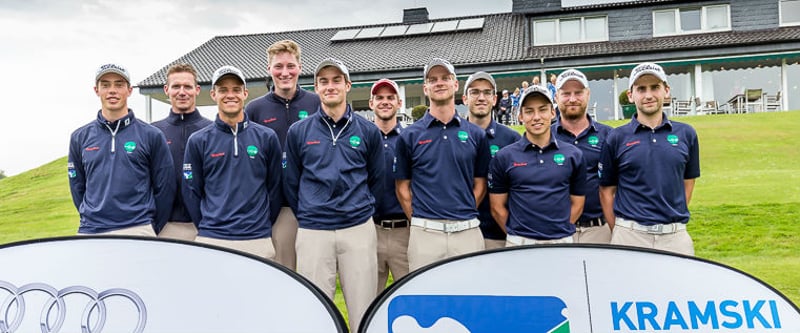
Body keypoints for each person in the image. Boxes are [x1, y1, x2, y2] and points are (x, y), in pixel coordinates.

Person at [283, 58, 384, 332]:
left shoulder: (368, 131)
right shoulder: (298, 132)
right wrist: (311, 210)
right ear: (316, 88)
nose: (330, 86)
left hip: (357, 228)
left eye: (336, 80)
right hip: (314, 230)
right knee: (315, 310)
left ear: (348, 85)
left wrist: (355, 206)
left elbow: (376, 179)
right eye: (324, 82)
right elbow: (291, 182)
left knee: (363, 309)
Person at [395, 58, 490, 270]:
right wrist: (421, 220)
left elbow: (480, 183)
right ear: (425, 88)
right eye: (433, 79)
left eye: (445, 78)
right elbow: (402, 188)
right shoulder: (409, 136)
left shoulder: (476, 134)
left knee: (470, 298)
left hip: (467, 232)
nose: (439, 83)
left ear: (455, 85)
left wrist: (461, 212)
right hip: (425, 235)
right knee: (425, 299)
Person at [599, 62, 700, 256]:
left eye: (655, 88)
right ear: (631, 95)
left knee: (678, 287)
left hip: (674, 236)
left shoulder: (686, 134)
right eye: (641, 89)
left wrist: (670, 216)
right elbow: (606, 191)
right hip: (630, 235)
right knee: (627, 288)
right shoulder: (617, 137)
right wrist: (621, 230)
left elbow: (688, 182)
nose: (648, 95)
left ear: (666, 91)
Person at [182, 65, 282, 259]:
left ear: (245, 93)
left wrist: (261, 223)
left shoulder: (266, 137)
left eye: (236, 89)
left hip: (257, 238)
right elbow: (191, 190)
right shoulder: (198, 140)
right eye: (223, 90)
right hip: (213, 239)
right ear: (213, 94)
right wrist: (208, 225)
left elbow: (275, 188)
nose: (230, 95)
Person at [68, 64, 175, 236]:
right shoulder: (79, 137)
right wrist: (91, 216)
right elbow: (77, 186)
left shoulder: (151, 135)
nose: (112, 90)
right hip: (92, 230)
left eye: (119, 84)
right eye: (105, 85)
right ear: (97, 90)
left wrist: (151, 226)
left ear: (129, 90)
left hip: (137, 227)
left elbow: (165, 188)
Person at [245, 39, 320, 270]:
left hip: (314, 206)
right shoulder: (254, 109)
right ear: (269, 69)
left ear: (300, 67)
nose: (284, 72)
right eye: (278, 66)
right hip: (278, 210)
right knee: (283, 274)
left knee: (314, 276)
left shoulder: (317, 103)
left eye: (290, 66)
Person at [489, 85, 587, 246]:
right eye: (529, 111)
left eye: (542, 110)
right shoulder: (504, 157)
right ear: (520, 116)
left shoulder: (573, 155)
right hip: (519, 242)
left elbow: (578, 203)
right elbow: (496, 207)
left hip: (561, 241)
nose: (536, 117)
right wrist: (518, 236)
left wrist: (557, 230)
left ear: (552, 112)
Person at [551, 69, 613, 243]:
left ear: (588, 94)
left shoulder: (609, 136)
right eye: (566, 94)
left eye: (578, 93)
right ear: (556, 97)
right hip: (556, 231)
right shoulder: (544, 137)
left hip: (599, 231)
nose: (572, 99)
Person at [151, 63, 212, 241]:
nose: (182, 92)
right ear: (166, 90)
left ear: (197, 90)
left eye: (187, 86)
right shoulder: (153, 132)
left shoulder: (213, 130)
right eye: (176, 86)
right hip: (164, 226)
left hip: (205, 227)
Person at [462, 71, 521, 249]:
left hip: (500, 235)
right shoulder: (452, 137)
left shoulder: (512, 139)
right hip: (461, 234)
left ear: (494, 99)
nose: (481, 98)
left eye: (487, 92)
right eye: (475, 92)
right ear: (465, 99)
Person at [369, 78, 410, 292]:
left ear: (399, 103)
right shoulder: (363, 138)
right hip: (370, 230)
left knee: (410, 298)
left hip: (404, 231)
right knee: (369, 300)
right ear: (371, 103)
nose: (385, 102)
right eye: (379, 98)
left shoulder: (410, 139)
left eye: (390, 98)